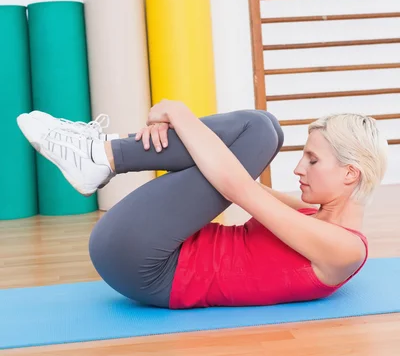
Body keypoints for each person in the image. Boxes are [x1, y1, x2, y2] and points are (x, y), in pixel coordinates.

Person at [17, 100, 387, 309]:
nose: (298, 169)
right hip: (150, 249)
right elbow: (238, 175)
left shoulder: (345, 249)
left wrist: (176, 113)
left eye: (312, 160)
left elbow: (239, 187)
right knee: (266, 127)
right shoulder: (310, 217)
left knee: (258, 130)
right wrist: (179, 134)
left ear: (351, 174)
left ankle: (102, 154)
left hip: (148, 264)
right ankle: (102, 155)